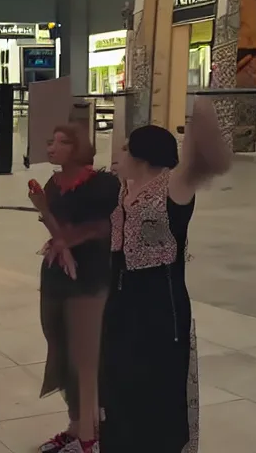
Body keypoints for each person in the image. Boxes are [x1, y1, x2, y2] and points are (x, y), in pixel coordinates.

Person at [99, 96, 232, 453]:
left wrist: (200, 106)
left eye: (126, 149)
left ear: (143, 155)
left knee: (154, 385)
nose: (119, 155)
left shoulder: (173, 185)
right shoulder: (122, 188)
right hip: (120, 295)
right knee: (116, 382)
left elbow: (207, 154)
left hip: (160, 303)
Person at [28, 123, 120, 453]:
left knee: (85, 356)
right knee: (62, 349)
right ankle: (75, 425)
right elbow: (56, 227)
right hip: (57, 274)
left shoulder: (104, 184)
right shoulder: (54, 184)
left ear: (77, 147)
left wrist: (68, 241)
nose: (52, 147)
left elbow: (105, 226)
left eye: (61, 142)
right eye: (50, 141)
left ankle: (89, 436)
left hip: (90, 276)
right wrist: (43, 210)